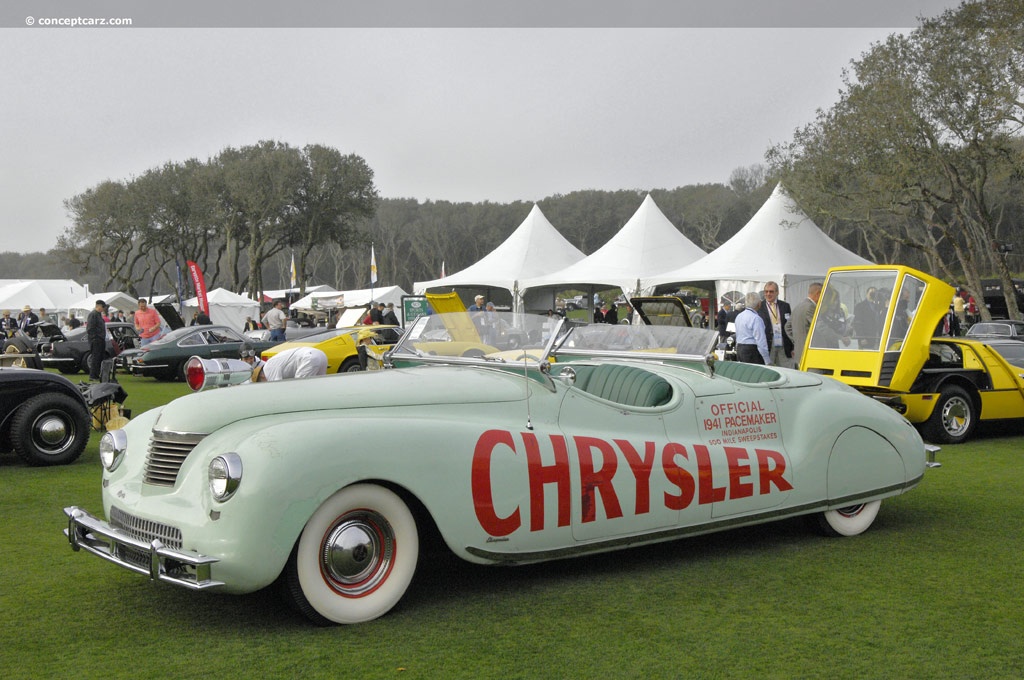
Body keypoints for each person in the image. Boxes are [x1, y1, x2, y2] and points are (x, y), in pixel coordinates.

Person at [756, 281, 794, 367]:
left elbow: (790, 325)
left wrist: (792, 346)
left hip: (783, 341)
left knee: (787, 368)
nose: (768, 294)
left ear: (777, 292)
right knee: (769, 369)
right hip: (768, 342)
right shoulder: (759, 306)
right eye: (766, 291)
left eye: (771, 291)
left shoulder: (785, 306)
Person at [786, 282, 822, 366]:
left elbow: (787, 327)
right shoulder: (810, 307)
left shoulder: (798, 306)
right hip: (809, 354)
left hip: (799, 353)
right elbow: (821, 327)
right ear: (818, 294)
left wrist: (797, 340)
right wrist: (839, 337)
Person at [255, 346, 328, 381]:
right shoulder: (271, 363)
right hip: (319, 354)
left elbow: (277, 387)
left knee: (300, 387)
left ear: (261, 376)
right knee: (319, 384)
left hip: (308, 358)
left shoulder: (268, 370)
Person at [734, 292, 769, 365]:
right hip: (752, 350)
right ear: (759, 303)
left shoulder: (739, 316)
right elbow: (761, 341)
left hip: (740, 348)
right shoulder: (756, 319)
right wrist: (767, 359)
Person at [86, 299, 108, 381]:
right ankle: (93, 375)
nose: (103, 309)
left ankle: (97, 374)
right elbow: (90, 328)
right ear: (98, 306)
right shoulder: (93, 314)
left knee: (99, 357)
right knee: (95, 358)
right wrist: (94, 338)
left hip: (101, 339)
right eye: (102, 307)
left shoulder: (99, 315)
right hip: (96, 340)